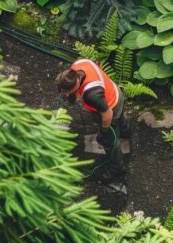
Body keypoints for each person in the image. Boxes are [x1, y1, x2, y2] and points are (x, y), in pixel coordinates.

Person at [56, 59, 132, 194]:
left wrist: (104, 132)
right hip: (115, 92)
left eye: (68, 91)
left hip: (110, 106)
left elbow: (107, 114)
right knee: (120, 120)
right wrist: (71, 93)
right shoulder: (79, 65)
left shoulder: (91, 95)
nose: (65, 94)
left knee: (110, 142)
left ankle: (118, 175)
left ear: (77, 83)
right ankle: (126, 132)